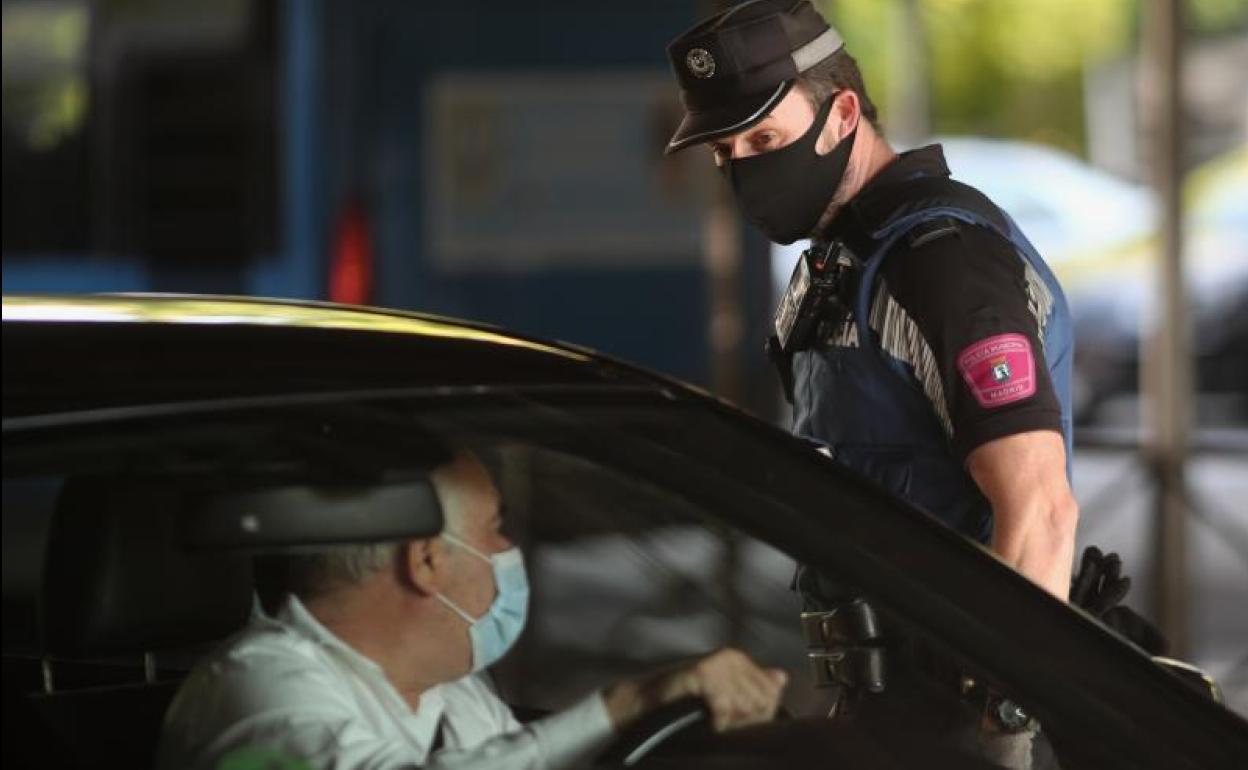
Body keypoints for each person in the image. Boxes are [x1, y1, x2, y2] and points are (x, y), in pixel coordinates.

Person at [663, 1, 1082, 764]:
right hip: (879, 705)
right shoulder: (837, 260)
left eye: (765, 138)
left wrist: (999, 727)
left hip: (963, 718)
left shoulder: (940, 263)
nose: (744, 167)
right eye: (726, 151)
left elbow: (1041, 511)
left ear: (842, 112)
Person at [156, 451, 788, 770]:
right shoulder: (251, 693)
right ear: (427, 561)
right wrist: (627, 705)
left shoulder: (452, 694)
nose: (509, 552)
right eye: (495, 530)